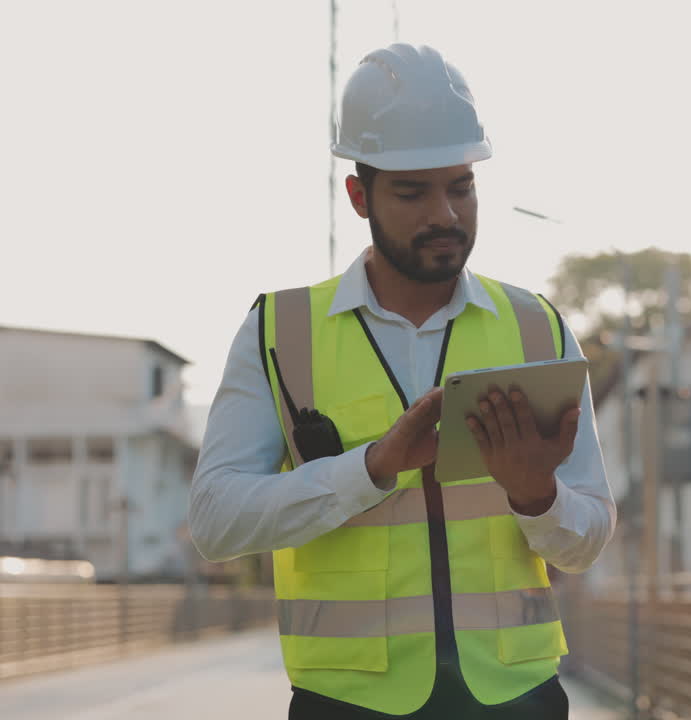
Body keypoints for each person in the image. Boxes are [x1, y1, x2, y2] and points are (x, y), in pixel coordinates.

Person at [188, 42, 616, 719]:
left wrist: (537, 496)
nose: (444, 214)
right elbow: (215, 521)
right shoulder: (278, 331)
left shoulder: (537, 327)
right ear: (359, 196)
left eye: (461, 187)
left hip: (516, 699)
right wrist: (373, 467)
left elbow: (589, 539)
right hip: (348, 701)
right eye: (413, 192)